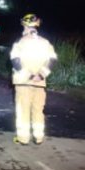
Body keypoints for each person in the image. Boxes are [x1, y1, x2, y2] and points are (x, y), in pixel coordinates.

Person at [9, 13, 57, 145]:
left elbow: (15, 61)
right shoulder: (45, 43)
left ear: (26, 25)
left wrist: (30, 75)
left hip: (24, 82)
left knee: (23, 110)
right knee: (38, 111)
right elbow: (53, 60)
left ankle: (23, 138)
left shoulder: (20, 42)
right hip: (40, 83)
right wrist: (41, 75)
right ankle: (38, 137)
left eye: (23, 25)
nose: (22, 28)